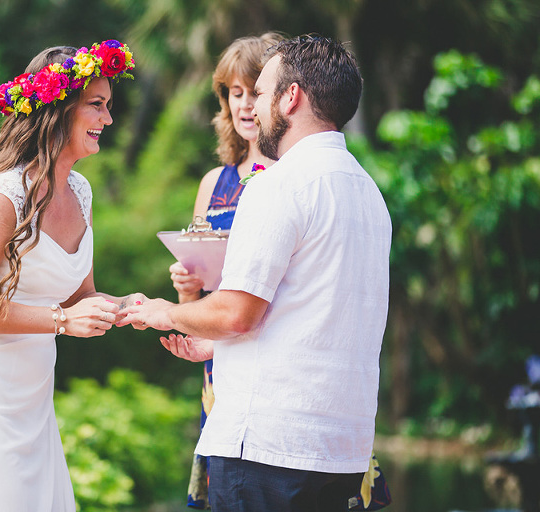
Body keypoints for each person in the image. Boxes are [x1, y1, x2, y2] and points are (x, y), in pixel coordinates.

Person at [121, 34, 392, 512]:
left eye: (262, 93)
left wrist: (163, 312)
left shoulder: (278, 186)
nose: (253, 108)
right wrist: (213, 345)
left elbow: (237, 314)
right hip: (341, 450)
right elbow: (311, 315)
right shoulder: (368, 192)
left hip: (270, 448)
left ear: (291, 98)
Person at [0, 40, 141, 512]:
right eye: (97, 105)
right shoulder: (3, 197)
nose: (108, 118)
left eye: (108, 106)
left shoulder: (80, 191)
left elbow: (80, 298)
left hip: (33, 407)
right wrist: (61, 321)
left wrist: (132, 309)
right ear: (59, 110)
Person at [165, 32, 281, 510]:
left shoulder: (295, 176)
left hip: (280, 354)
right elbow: (196, 305)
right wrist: (187, 289)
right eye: (236, 92)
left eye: (256, 90)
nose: (246, 105)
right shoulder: (214, 183)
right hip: (221, 364)